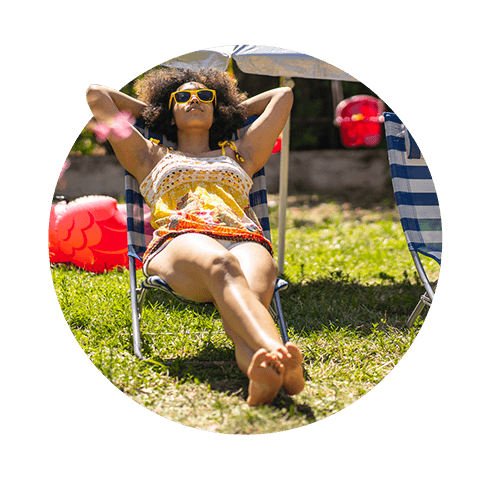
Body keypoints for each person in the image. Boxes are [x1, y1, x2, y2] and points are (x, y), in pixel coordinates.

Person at [86, 67, 304, 406]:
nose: (194, 101)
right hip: (180, 240)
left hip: (243, 236)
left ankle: (266, 377)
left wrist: (230, 112)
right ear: (169, 109)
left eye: (205, 97)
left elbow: (283, 96)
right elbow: (97, 93)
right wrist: (156, 113)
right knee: (222, 263)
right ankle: (280, 353)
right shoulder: (148, 155)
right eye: (183, 97)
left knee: (252, 294)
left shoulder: (240, 153)